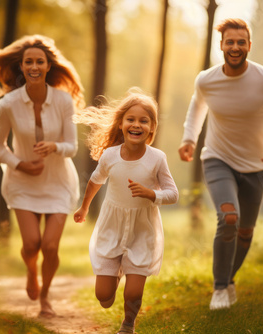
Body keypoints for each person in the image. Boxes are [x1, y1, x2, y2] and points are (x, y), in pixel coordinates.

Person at [178, 18, 263, 310]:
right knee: (228, 217)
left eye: (240, 42)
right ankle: (219, 288)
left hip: (256, 166)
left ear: (249, 45)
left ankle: (228, 279)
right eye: (229, 42)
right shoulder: (206, 79)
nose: (235, 47)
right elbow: (197, 107)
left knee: (245, 232)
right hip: (217, 158)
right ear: (221, 45)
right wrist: (189, 139)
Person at [0, 35, 84, 317]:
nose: (34, 66)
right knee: (31, 244)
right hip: (22, 183)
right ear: (22, 66)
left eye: (39, 61)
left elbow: (72, 147)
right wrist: (19, 164)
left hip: (59, 183)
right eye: (28, 61)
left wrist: (54, 146)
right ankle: (32, 272)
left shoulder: (64, 101)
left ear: (48, 66)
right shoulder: (8, 104)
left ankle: (45, 298)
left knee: (50, 246)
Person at [73, 88, 178, 334]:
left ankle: (128, 325)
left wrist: (153, 194)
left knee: (133, 293)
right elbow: (95, 181)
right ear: (121, 124)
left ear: (152, 128)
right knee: (104, 296)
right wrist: (84, 207)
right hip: (112, 227)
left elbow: (173, 194)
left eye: (144, 121)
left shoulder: (157, 158)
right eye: (131, 119)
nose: (136, 125)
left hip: (142, 231)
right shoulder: (110, 156)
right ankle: (116, 273)